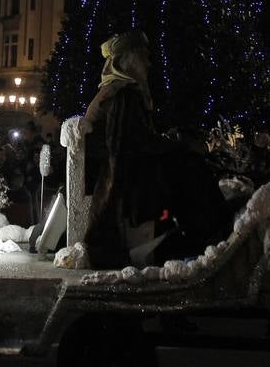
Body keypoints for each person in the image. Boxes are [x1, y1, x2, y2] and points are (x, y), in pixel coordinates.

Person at [81, 30, 230, 269]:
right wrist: (177, 143)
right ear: (129, 60)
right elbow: (133, 144)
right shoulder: (124, 94)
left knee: (188, 163)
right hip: (128, 175)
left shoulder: (116, 91)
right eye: (144, 57)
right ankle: (212, 235)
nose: (148, 63)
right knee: (192, 167)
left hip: (127, 167)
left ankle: (205, 231)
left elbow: (136, 138)